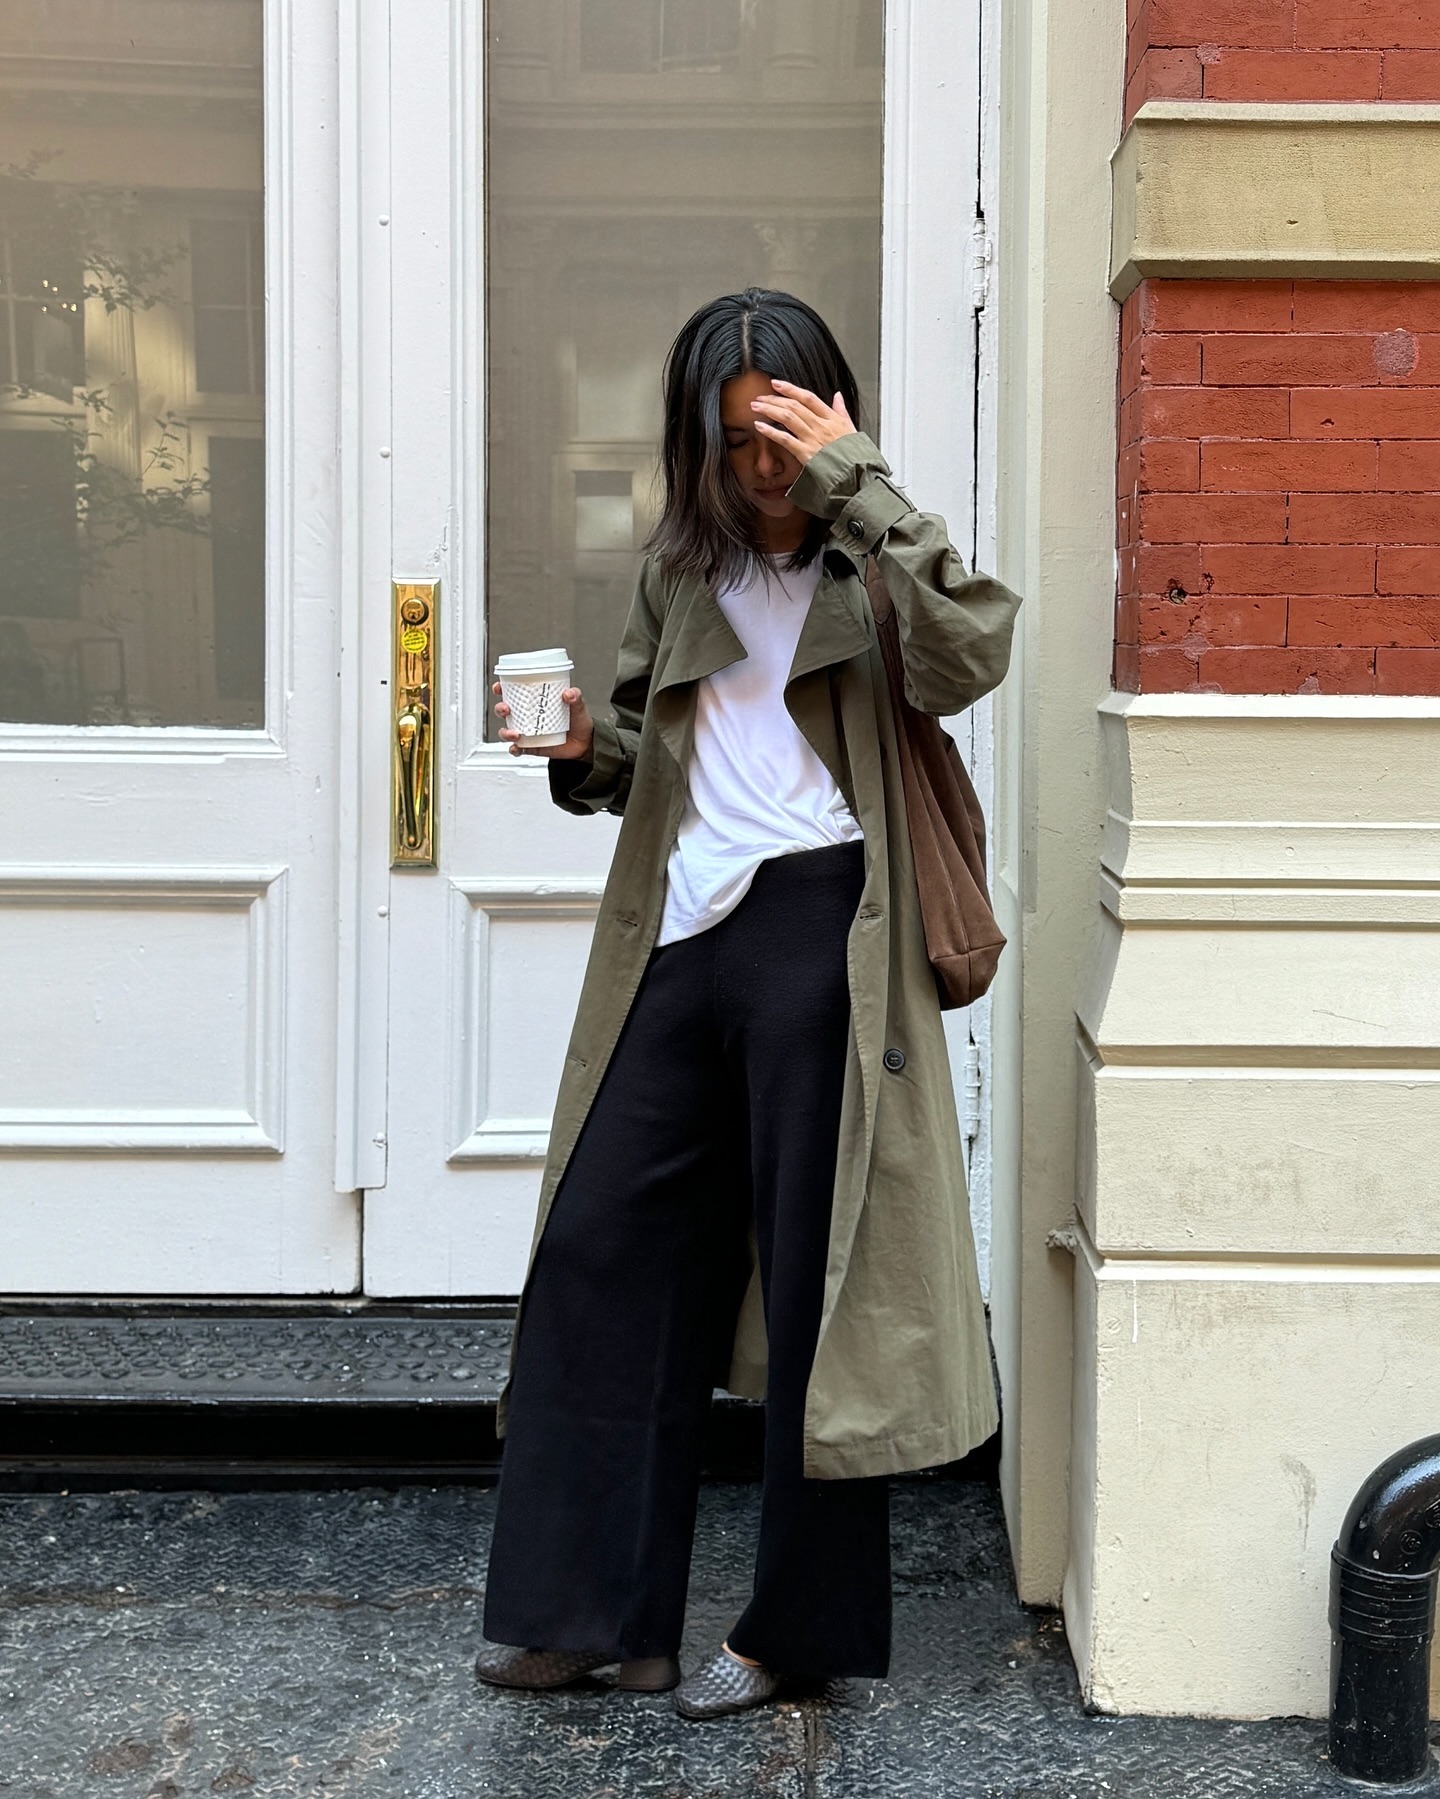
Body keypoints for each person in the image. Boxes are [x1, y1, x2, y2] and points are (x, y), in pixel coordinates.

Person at [474, 287, 1019, 1720]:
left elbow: (974, 652)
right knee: (604, 1253)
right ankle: (601, 1616)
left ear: (828, 421)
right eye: (735, 443)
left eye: (783, 437)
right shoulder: (685, 573)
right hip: (686, 926)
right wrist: (586, 745)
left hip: (823, 928)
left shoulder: (873, 566)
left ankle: (800, 1632)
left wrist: (866, 480)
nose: (761, 471)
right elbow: (659, 746)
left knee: (815, 1282)